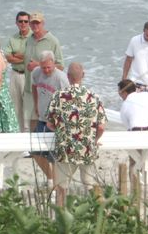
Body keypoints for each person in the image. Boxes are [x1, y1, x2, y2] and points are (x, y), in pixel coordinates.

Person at [46, 62, 107, 206]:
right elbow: (101, 127)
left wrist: (64, 131)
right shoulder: (93, 97)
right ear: (83, 75)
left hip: (65, 149)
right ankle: (102, 211)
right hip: (87, 148)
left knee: (62, 186)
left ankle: (61, 214)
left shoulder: (58, 96)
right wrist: (94, 140)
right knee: (90, 183)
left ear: (67, 76)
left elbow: (49, 124)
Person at [30, 50, 69, 184]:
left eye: (49, 67)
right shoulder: (36, 73)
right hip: (42, 119)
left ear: (54, 63)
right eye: (43, 67)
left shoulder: (61, 78)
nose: (46, 70)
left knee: (53, 156)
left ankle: (56, 183)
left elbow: (68, 101)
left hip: (56, 123)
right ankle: (51, 178)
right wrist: (36, 104)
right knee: (35, 152)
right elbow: (34, 87)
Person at [23, 12, 64, 131]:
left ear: (43, 23)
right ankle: (33, 143)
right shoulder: (29, 40)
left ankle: (42, 143)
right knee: (29, 121)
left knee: (41, 122)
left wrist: (38, 65)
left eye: (38, 23)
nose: (35, 25)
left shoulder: (53, 41)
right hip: (30, 87)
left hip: (46, 90)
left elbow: (60, 66)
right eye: (32, 23)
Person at [4, 11, 31, 132]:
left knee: (28, 107)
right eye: (20, 21)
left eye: (25, 21)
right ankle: (18, 133)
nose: (23, 23)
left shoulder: (33, 38)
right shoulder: (12, 38)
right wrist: (24, 57)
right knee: (16, 108)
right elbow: (8, 57)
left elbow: (31, 57)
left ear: (29, 23)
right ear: (16, 23)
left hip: (28, 75)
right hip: (14, 74)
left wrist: (17, 56)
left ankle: (28, 134)